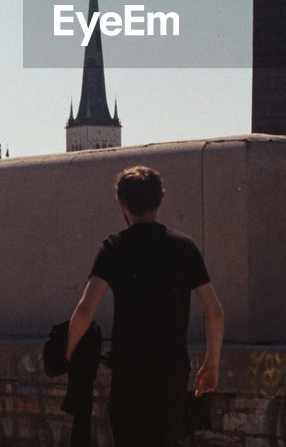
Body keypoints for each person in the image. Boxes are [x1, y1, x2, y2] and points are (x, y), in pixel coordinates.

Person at [65, 165, 224, 447]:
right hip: (173, 372)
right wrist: (211, 364)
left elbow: (85, 311)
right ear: (160, 201)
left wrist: (67, 354)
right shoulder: (184, 247)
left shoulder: (114, 247)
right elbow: (214, 310)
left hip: (129, 373)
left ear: (122, 203)